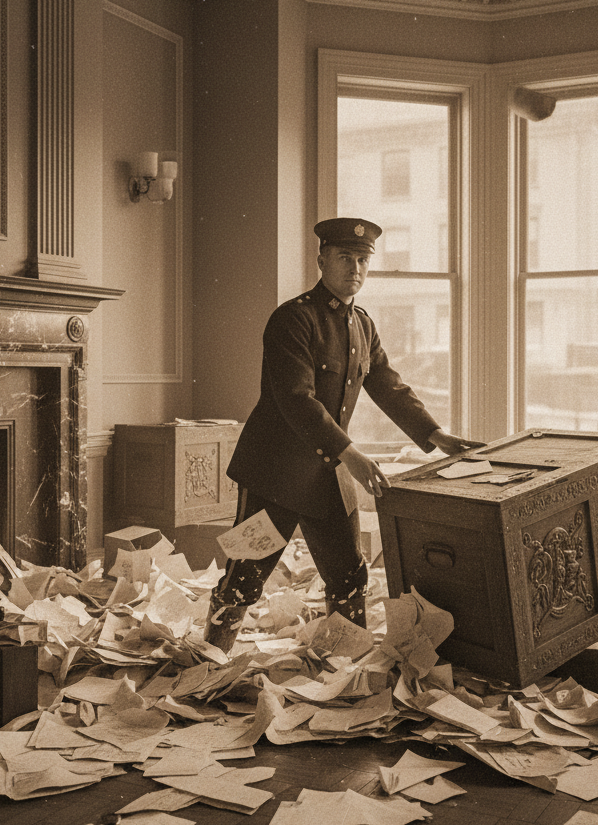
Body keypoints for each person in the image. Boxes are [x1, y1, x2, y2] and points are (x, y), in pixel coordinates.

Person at [203, 217, 474, 652]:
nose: (356, 268)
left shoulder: (362, 325)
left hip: (327, 471)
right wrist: (351, 453)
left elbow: (388, 385)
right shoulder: (292, 319)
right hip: (275, 472)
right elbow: (297, 399)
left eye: (364, 259)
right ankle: (210, 660)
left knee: (349, 575)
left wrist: (435, 434)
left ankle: (344, 667)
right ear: (321, 260)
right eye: (345, 258)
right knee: (245, 577)